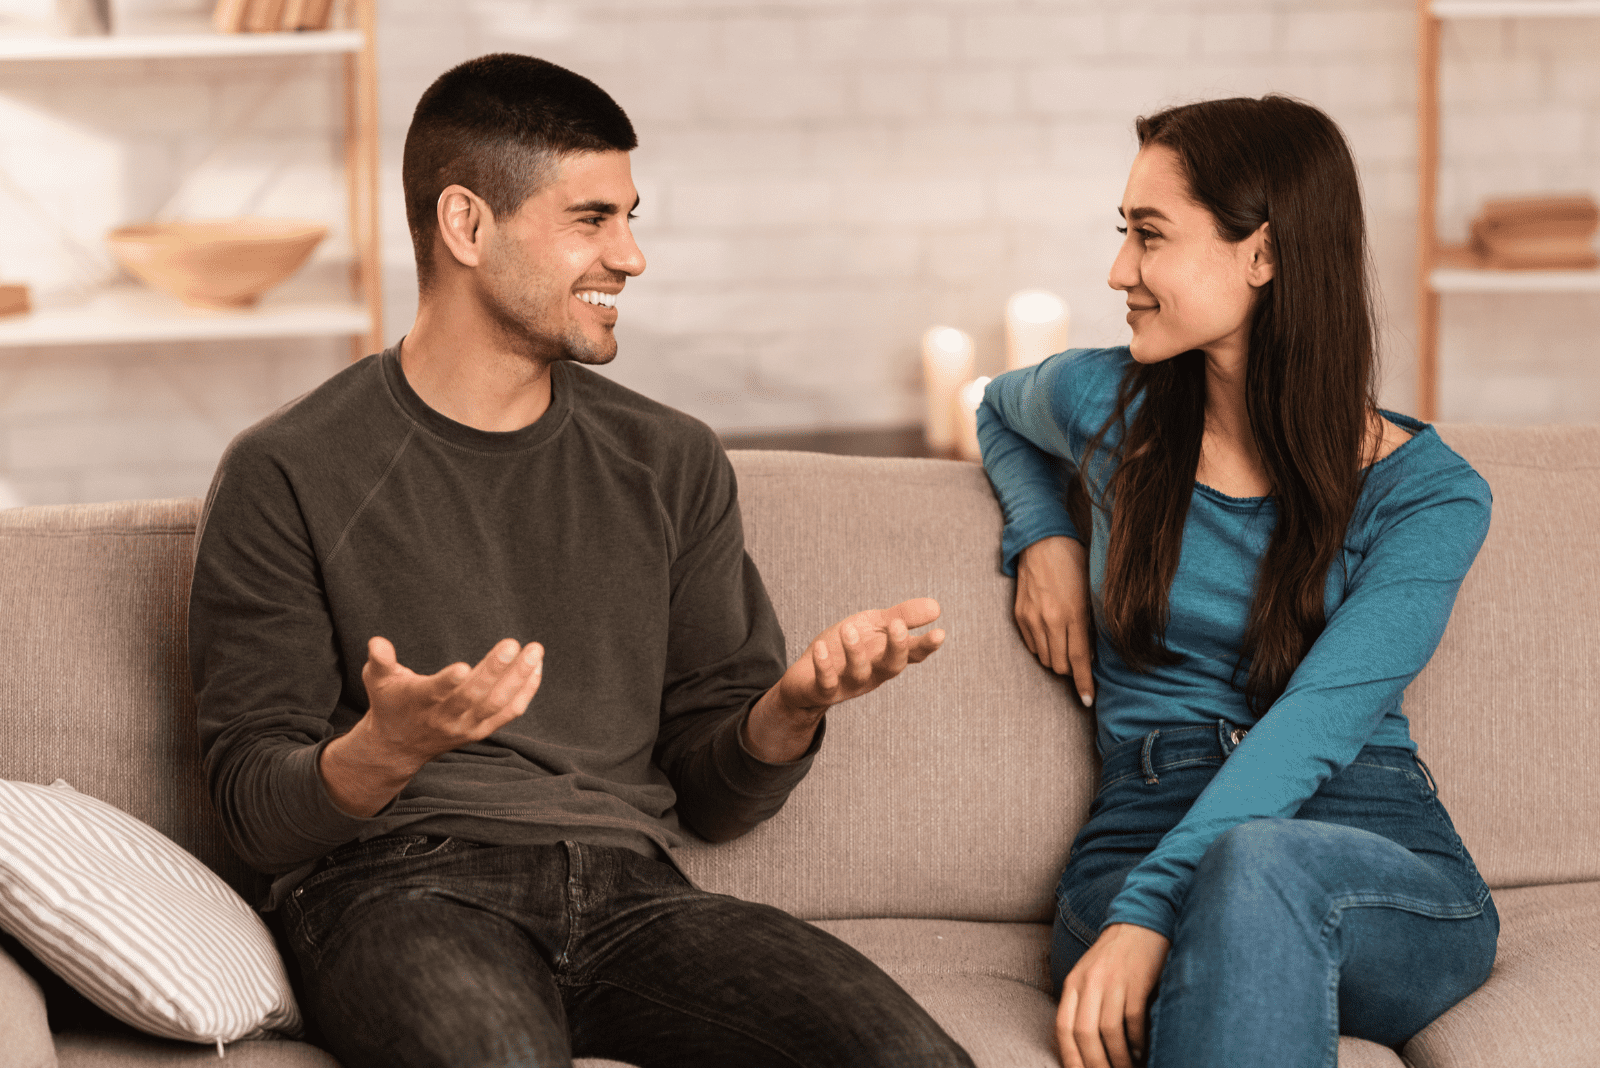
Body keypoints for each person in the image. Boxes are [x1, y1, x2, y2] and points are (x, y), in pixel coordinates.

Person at [190, 53, 974, 1068]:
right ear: (465, 225)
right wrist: (389, 745)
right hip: (395, 886)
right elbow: (252, 812)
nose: (632, 257)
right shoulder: (288, 468)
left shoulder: (669, 459)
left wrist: (791, 708)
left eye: (630, 217)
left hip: (633, 894)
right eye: (591, 219)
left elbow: (713, 797)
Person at [976, 95, 1498, 1068]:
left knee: (1255, 870)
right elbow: (997, 414)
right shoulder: (1104, 403)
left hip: (1367, 847)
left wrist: (1151, 911)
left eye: (1148, 236)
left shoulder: (1428, 497)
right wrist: (1041, 532)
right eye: (1121, 234)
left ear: (1260, 254)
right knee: (1244, 891)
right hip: (1145, 816)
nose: (1117, 271)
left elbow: (1310, 731)